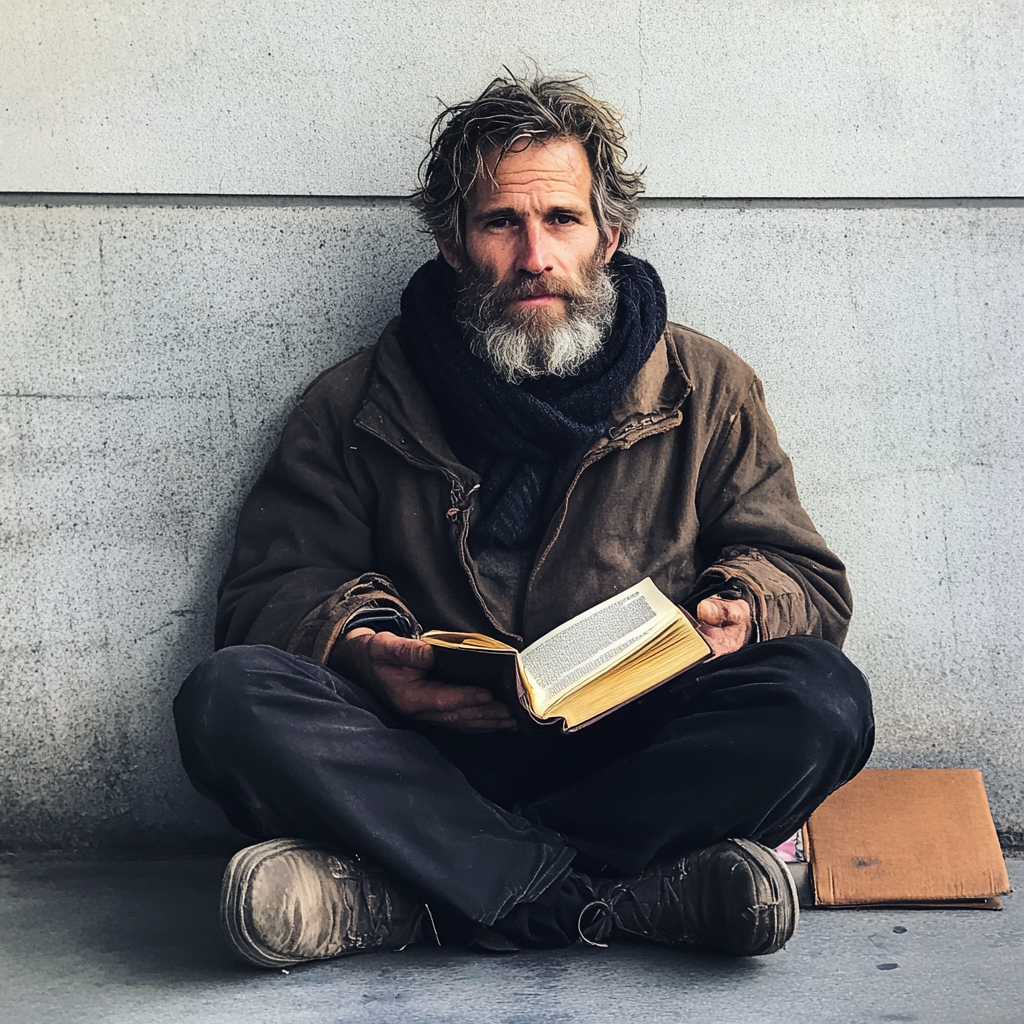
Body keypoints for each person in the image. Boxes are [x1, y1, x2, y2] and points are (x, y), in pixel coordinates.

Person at [173, 73, 874, 967]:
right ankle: (623, 899)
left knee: (822, 701)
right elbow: (271, 593)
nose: (535, 254)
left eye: (563, 221)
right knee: (226, 702)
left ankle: (412, 898)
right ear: (453, 247)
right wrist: (361, 650)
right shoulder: (351, 403)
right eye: (501, 223)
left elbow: (804, 575)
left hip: (638, 755)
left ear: (608, 239)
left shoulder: (708, 386)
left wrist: (742, 605)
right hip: (424, 758)